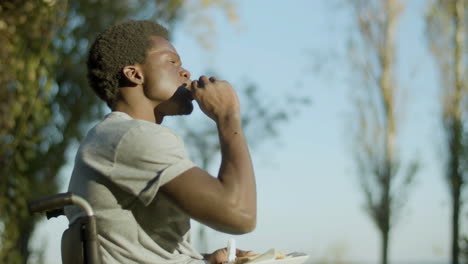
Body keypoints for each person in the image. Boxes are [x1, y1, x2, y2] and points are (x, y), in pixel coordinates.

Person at [65, 20, 257, 264]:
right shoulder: (131, 136)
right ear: (134, 74)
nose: (185, 72)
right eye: (172, 62)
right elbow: (240, 214)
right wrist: (228, 117)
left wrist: (206, 260)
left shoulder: (111, 136)